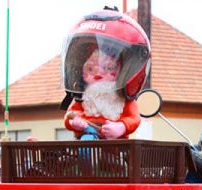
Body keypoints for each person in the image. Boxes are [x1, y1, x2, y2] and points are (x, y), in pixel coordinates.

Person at [62, 9, 151, 139]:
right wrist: (74, 123)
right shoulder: (84, 99)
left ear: (124, 73)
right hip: (85, 141)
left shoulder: (123, 101)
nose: (98, 75)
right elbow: (69, 116)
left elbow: (133, 119)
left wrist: (121, 127)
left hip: (115, 147)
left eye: (109, 68)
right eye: (90, 69)